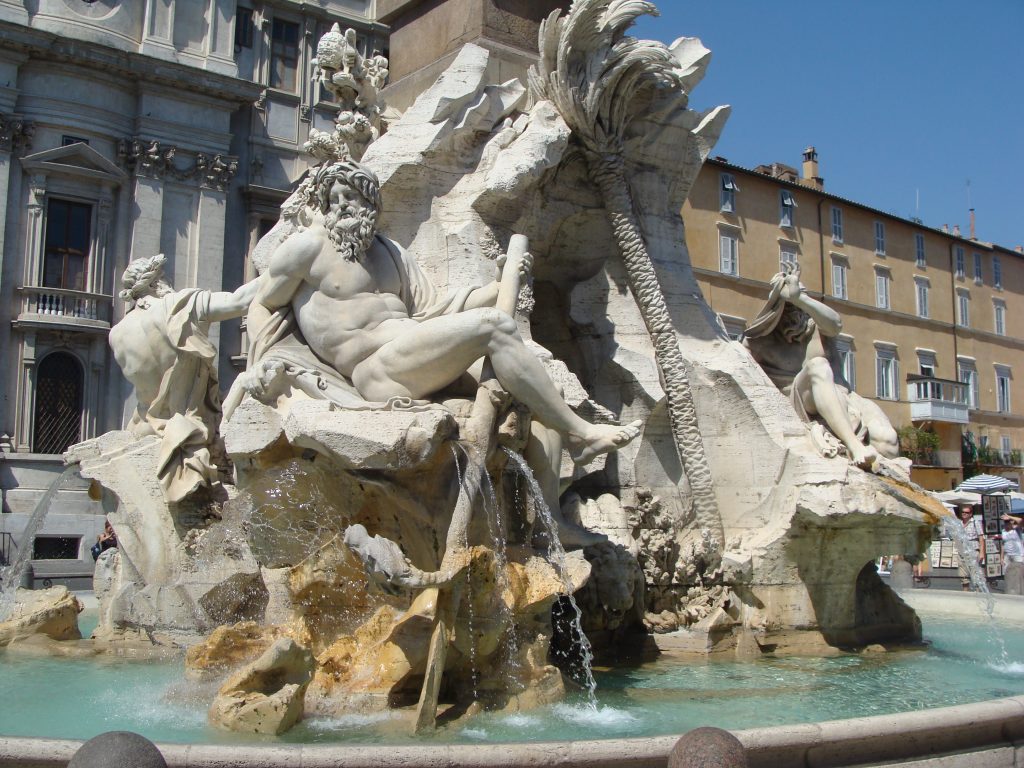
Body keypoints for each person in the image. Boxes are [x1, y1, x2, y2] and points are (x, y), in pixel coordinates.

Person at [245, 157, 641, 467]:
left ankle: (551, 517)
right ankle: (580, 434)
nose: (342, 207)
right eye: (333, 200)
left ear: (371, 203)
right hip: (373, 371)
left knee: (532, 396)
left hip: (414, 352)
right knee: (494, 325)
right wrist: (264, 364)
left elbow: (438, 311)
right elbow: (263, 303)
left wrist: (501, 283)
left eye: (351, 197)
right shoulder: (308, 248)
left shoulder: (391, 253)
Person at [109, 254, 264, 502]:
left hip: (146, 430)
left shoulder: (117, 333)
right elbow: (241, 301)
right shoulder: (179, 306)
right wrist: (287, 262)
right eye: (163, 276)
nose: (168, 281)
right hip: (191, 431)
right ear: (154, 283)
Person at [744, 264, 899, 469]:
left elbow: (836, 324)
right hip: (802, 400)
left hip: (844, 395)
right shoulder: (760, 342)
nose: (796, 312)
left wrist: (801, 298)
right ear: (776, 308)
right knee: (818, 365)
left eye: (798, 305)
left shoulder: (819, 327)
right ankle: (854, 446)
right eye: (788, 305)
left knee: (888, 442)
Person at [957, 503, 985, 590]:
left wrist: (981, 553)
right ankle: (966, 595)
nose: (964, 513)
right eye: (963, 512)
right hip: (962, 552)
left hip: (973, 550)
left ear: (970, 514)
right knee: (963, 577)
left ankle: (978, 595)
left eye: (966, 512)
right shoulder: (958, 524)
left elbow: (981, 539)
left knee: (976, 575)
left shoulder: (975, 523)